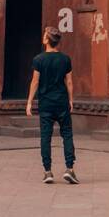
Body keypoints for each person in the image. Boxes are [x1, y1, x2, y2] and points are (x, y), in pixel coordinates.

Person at [26, 27, 78, 185]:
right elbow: (69, 81)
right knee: (67, 135)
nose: (42, 37)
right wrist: (70, 100)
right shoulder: (65, 59)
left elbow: (35, 82)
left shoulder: (39, 59)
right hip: (61, 102)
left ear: (47, 40)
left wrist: (29, 102)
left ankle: (47, 172)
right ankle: (69, 169)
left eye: (44, 35)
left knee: (45, 137)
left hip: (46, 103)